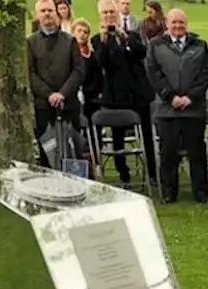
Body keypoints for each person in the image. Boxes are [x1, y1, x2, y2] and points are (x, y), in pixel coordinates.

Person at [145, 8, 208, 203]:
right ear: (167, 24)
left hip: (194, 109)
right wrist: (170, 97)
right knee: (168, 154)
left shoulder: (200, 45)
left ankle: (201, 192)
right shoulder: (155, 45)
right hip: (168, 110)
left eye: (181, 22)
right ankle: (169, 193)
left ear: (187, 24)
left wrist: (191, 96)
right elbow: (154, 74)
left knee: (197, 153)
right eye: (174, 22)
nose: (177, 26)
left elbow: (205, 73)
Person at [93, 0, 157, 185]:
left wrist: (124, 37)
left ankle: (151, 173)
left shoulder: (132, 35)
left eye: (111, 12)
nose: (109, 15)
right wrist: (106, 40)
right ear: (100, 16)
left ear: (118, 13)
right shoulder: (98, 39)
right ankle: (124, 173)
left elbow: (142, 52)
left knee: (146, 136)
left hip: (139, 94)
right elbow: (101, 63)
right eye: (104, 13)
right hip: (116, 96)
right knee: (118, 138)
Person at [28, 0, 86, 165]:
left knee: (74, 151)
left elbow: (79, 71)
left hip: (69, 105)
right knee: (48, 152)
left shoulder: (70, 41)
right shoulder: (31, 42)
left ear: (57, 13)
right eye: (43, 11)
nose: (47, 14)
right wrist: (49, 94)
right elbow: (30, 73)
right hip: (44, 106)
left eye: (50, 10)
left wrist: (62, 93)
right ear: (38, 15)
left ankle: (75, 187)